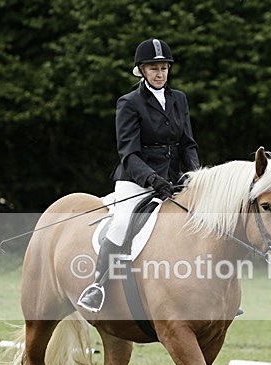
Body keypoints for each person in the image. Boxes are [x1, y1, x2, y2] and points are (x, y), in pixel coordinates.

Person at [78, 38, 200, 312]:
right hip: (136, 179)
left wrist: (195, 176)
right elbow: (129, 153)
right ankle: (98, 286)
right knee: (121, 224)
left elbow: (187, 144)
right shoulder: (129, 103)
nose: (160, 74)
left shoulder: (179, 99)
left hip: (172, 180)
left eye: (164, 68)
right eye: (154, 68)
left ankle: (210, 292)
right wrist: (152, 179)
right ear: (142, 70)